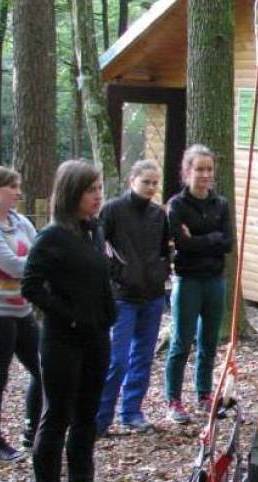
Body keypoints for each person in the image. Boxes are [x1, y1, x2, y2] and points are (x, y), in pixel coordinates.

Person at [22, 160, 120, 482]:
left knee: (87, 412)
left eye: (99, 189)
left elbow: (100, 278)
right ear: (72, 193)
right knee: (58, 412)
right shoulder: (52, 236)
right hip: (62, 339)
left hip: (96, 335)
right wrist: (69, 315)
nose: (98, 196)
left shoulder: (93, 231)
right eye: (90, 190)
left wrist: (107, 314)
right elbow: (31, 285)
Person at [96, 160, 171, 435]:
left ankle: (132, 411)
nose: (150, 187)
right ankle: (101, 418)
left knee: (143, 357)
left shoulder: (158, 214)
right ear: (132, 180)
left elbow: (165, 249)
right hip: (123, 295)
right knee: (117, 360)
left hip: (152, 294)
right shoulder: (113, 209)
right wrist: (116, 273)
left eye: (154, 183)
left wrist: (161, 271)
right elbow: (99, 245)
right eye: (145, 182)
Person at [164, 145, 233, 424]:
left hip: (215, 279)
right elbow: (181, 244)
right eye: (199, 169)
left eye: (209, 169)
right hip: (188, 280)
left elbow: (227, 243)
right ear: (187, 171)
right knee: (182, 340)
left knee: (209, 340)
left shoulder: (221, 204)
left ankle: (204, 393)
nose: (205, 175)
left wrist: (198, 240)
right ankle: (173, 399)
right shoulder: (177, 205)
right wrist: (210, 239)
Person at [0, 166, 42, 462]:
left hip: (22, 310)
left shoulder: (21, 222)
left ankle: (33, 430)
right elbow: (11, 264)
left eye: (18, 186)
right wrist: (37, 265)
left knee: (43, 369)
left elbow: (40, 251)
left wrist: (37, 264)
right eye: (12, 186)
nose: (18, 192)